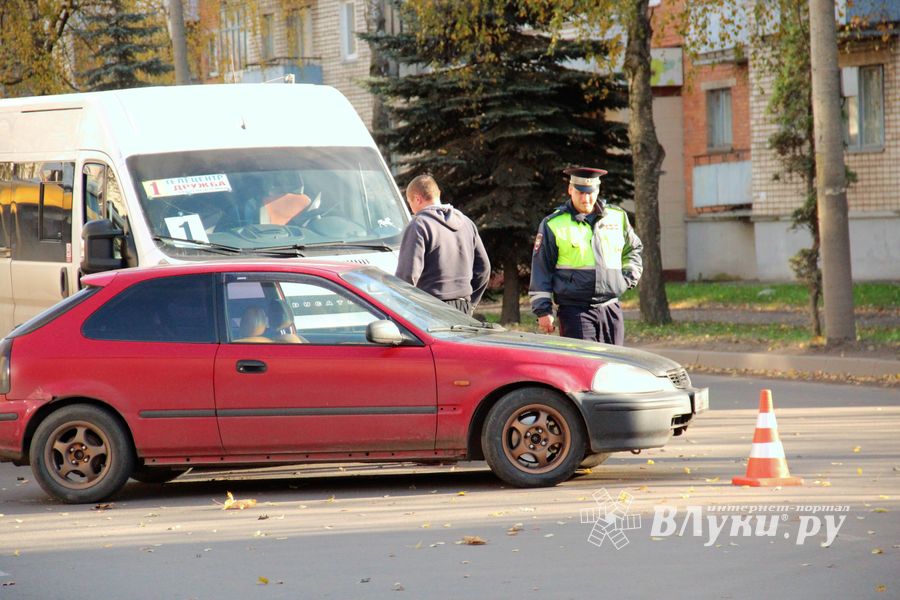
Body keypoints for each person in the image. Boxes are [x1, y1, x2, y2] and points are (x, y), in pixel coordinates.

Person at [529, 166, 643, 345]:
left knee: (613, 360)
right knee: (584, 360)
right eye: (580, 192)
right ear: (570, 190)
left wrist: (628, 278)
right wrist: (543, 311)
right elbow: (541, 268)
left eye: (590, 193)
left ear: (597, 190)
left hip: (610, 307)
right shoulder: (553, 223)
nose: (586, 198)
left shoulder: (617, 216)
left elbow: (633, 249)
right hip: (575, 311)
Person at [396, 174, 491, 315]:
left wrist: (399, 307)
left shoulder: (419, 225)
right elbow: (483, 268)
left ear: (417, 199)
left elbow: (407, 275)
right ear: (438, 193)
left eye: (410, 203)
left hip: (430, 309)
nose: (411, 209)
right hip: (463, 308)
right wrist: (470, 304)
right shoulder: (467, 223)